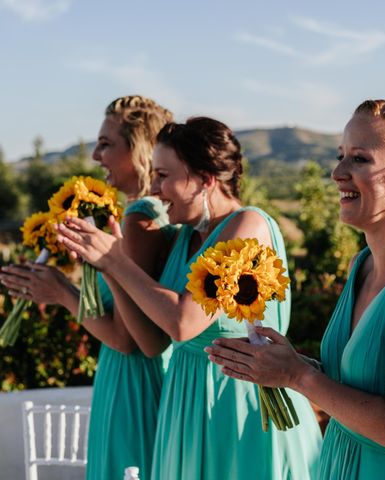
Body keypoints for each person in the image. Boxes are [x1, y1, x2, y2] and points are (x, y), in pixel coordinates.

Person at [207, 99, 385, 479]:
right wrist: (284, 363)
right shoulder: (363, 265)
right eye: (341, 156)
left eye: (360, 159)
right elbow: (354, 385)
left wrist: (296, 376)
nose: (338, 172)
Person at [55, 116, 322, 479]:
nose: (156, 188)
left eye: (164, 175)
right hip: (184, 405)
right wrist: (108, 269)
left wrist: (116, 258)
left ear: (205, 180)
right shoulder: (185, 237)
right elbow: (151, 343)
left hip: (240, 409)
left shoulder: (249, 227)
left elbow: (184, 322)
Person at [0, 95, 175, 480]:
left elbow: (125, 338)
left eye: (106, 144)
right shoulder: (151, 213)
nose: (96, 156)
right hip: (131, 376)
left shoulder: (140, 218)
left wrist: (61, 291)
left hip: (134, 383)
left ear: (140, 149)